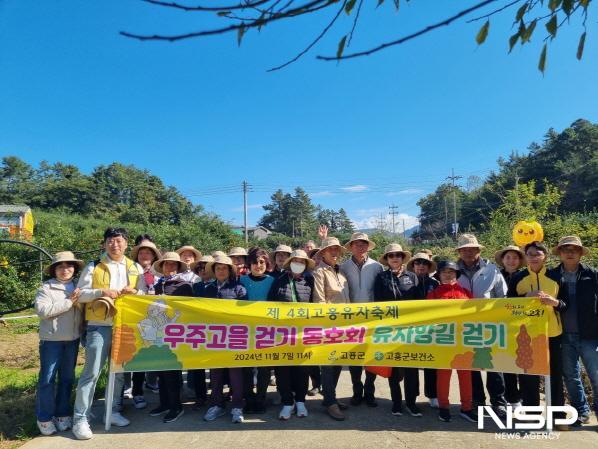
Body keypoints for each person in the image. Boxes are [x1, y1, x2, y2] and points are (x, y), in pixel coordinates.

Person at [72, 228, 147, 440]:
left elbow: (143, 296)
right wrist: (101, 292)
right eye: (110, 241)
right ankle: (80, 418)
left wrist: (136, 293)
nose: (115, 245)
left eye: (119, 241)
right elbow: (80, 295)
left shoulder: (135, 268)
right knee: (92, 372)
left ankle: (112, 410)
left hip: (124, 326)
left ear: (126, 244)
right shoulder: (93, 266)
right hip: (99, 324)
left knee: (119, 371)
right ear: (104, 244)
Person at [507, 241, 567, 427]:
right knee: (528, 374)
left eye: (537, 253)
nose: (533, 257)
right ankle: (530, 413)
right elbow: (507, 304)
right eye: (529, 254)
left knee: (555, 375)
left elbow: (566, 304)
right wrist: (525, 297)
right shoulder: (518, 278)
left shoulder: (557, 277)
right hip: (526, 334)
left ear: (545, 256)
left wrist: (554, 302)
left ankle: (557, 416)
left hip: (553, 333)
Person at [455, 233, 508, 418]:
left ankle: (499, 402)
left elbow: (502, 296)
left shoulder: (492, 269)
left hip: (489, 325)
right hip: (465, 327)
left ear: (478, 250)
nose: (468, 252)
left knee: (494, 366)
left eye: (472, 249)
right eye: (464, 250)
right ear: (459, 252)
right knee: (472, 365)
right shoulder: (452, 271)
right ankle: (477, 401)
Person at [548, 235, 598, 426]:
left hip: (590, 335)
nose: (570, 253)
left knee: (596, 375)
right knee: (570, 376)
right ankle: (581, 411)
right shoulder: (551, 276)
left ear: (580, 253)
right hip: (562, 335)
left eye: (574, 250)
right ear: (560, 253)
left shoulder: (592, 274)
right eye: (565, 250)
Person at [34, 252, 84, 436]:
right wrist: (69, 302)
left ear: (75, 268)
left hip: (72, 340)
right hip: (51, 341)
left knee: (67, 378)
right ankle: (44, 417)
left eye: (69, 266)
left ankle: (62, 413)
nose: (65, 270)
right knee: (47, 379)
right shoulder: (46, 288)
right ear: (54, 269)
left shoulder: (79, 286)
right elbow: (43, 310)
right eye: (60, 266)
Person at [373, 243, 421, 416]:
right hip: (390, 329)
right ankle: (396, 402)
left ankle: (411, 403)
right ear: (386, 259)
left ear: (402, 258)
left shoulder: (412, 277)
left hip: (410, 330)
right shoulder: (381, 278)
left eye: (398, 255)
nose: (394, 258)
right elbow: (377, 303)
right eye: (391, 255)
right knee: (393, 366)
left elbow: (419, 303)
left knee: (411, 368)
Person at [427, 261, 477, 423]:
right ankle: (444, 407)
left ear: (457, 274)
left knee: (465, 376)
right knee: (443, 375)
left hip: (463, 341)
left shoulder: (467, 293)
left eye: (451, 272)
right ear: (439, 276)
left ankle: (467, 408)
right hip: (443, 340)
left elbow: (476, 316)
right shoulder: (433, 294)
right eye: (444, 272)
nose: (448, 275)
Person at [268, 249, 315, 420]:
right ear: (289, 263)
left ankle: (301, 401)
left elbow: (316, 307)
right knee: (283, 370)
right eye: (295, 261)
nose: (299, 264)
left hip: (303, 334)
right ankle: (287, 402)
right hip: (281, 334)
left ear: (305, 265)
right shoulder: (278, 281)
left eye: (302, 262)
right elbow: (269, 307)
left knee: (302, 368)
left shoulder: (309, 281)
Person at [202, 255, 248, 424]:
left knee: (236, 375)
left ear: (229, 271)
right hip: (214, 338)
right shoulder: (207, 290)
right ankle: (216, 405)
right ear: (214, 271)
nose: (221, 271)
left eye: (224, 268)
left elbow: (244, 313)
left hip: (235, 337)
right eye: (218, 268)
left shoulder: (239, 289)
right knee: (215, 374)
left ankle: (237, 406)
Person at [149, 252, 193, 423]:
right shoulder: (158, 284)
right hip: (159, 333)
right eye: (167, 264)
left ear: (178, 267)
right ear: (162, 267)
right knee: (160, 370)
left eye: (174, 264)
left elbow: (187, 309)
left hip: (176, 333)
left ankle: (176, 406)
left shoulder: (184, 285)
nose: (170, 267)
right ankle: (164, 403)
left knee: (171, 372)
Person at [340, 232, 384, 407]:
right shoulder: (343, 267)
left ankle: (370, 390)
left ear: (368, 246)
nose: (360, 247)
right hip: (352, 320)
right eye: (357, 244)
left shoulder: (377, 267)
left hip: (372, 319)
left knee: (370, 357)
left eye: (363, 244)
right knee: (354, 357)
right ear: (351, 247)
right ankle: (357, 391)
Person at [312, 237, 351, 420]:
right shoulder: (319, 272)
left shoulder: (340, 272)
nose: (334, 252)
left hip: (344, 325)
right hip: (329, 325)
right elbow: (319, 300)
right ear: (323, 253)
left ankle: (331, 397)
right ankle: (330, 401)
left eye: (337, 250)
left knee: (337, 364)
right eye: (330, 250)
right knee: (328, 365)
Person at [239, 247, 275, 414]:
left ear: (266, 263)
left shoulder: (272, 280)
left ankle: (261, 398)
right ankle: (249, 398)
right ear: (249, 264)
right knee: (246, 367)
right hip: (245, 331)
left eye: (261, 262)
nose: (258, 265)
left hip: (266, 331)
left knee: (264, 368)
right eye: (254, 262)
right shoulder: (242, 281)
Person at [128, 239, 162, 407]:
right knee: (138, 356)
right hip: (136, 318)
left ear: (154, 255)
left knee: (158, 354)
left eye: (148, 252)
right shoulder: (130, 269)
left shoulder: (160, 272)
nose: (144, 255)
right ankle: (137, 392)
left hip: (158, 320)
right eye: (141, 252)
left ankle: (157, 386)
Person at [406, 252, 440, 408]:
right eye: (417, 263)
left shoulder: (435, 283)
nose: (421, 266)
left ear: (428, 267)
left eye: (424, 263)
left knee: (430, 362)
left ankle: (432, 394)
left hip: (430, 328)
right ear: (413, 266)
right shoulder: (406, 282)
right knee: (412, 362)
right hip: (410, 328)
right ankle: (411, 396)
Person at [494, 244, 525, 407]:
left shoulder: (527, 276)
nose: (511, 261)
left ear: (520, 260)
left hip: (524, 327)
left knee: (525, 363)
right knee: (506, 364)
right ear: (503, 260)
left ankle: (526, 397)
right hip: (502, 327)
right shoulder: (496, 276)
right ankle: (512, 398)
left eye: (515, 257)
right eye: (508, 257)